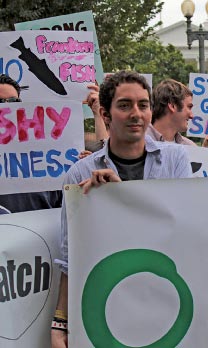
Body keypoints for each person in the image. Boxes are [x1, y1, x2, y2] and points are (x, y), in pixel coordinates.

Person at [51, 71, 192, 348]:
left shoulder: (176, 160)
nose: (136, 114)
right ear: (105, 114)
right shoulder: (80, 173)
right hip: (109, 305)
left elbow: (183, 230)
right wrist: (59, 324)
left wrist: (121, 198)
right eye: (124, 105)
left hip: (167, 299)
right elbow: (70, 258)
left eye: (143, 105)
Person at [0, 74, 63, 213]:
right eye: (0, 101)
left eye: (13, 101)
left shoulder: (48, 155)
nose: (5, 107)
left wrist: (80, 166)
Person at [148, 78, 196, 145]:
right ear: (172, 106)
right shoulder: (137, 142)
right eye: (189, 107)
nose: (192, 116)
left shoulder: (190, 147)